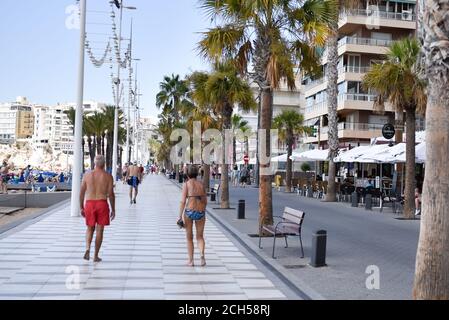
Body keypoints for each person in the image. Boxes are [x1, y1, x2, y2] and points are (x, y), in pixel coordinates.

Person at [79, 155, 115, 263]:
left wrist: (81, 207)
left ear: (95, 163)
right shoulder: (108, 176)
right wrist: (113, 209)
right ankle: (95, 256)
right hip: (102, 203)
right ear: (104, 164)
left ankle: (87, 248)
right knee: (100, 230)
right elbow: (111, 194)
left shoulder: (87, 175)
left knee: (90, 228)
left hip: (89, 203)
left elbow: (81, 193)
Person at [178, 165, 207, 267]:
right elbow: (205, 201)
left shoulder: (186, 184)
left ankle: (191, 261)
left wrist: (179, 216)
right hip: (200, 212)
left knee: (189, 238)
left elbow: (182, 201)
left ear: (187, 174)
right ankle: (202, 256)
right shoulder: (201, 184)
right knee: (200, 237)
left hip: (189, 212)